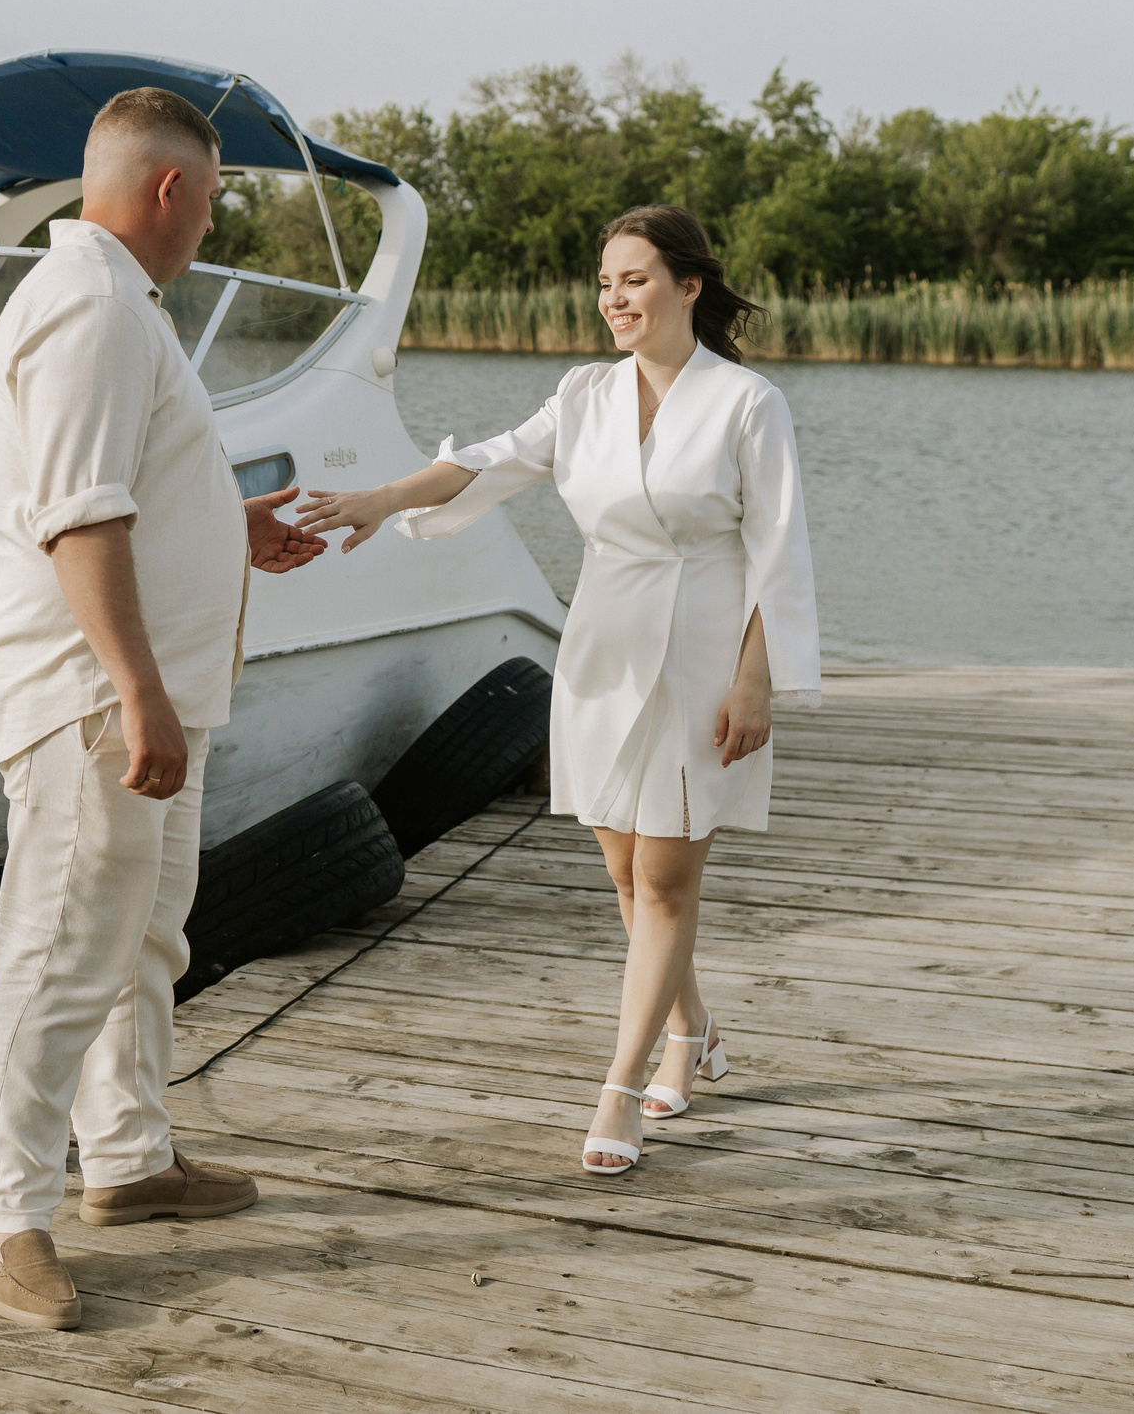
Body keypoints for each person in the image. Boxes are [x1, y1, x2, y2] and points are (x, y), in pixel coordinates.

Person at [298, 204, 818, 1177]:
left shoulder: (747, 405)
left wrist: (759, 681)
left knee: (666, 882)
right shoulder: (583, 394)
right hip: (601, 655)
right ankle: (691, 1032)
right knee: (628, 879)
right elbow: (487, 461)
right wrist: (377, 499)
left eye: (634, 279)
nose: (614, 299)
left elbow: (776, 549)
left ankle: (620, 1085)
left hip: (702, 659)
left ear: (688, 286)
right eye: (604, 282)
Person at [0, 86, 326, 1329]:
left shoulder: (123, 305)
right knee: (62, 949)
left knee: (143, 941)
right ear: (170, 188)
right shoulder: (92, 308)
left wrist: (235, 529)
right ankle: (6, 1214)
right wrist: (136, 694)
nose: (212, 222)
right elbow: (76, 518)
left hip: (145, 693)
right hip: (88, 702)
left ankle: (127, 1161)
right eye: (215, 198)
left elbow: (132, 492)